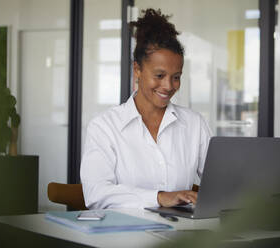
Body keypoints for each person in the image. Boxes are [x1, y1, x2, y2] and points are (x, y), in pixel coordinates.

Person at [80, 8, 211, 209]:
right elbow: (96, 195)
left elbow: (221, 181)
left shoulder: (194, 124)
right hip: (124, 236)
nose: (168, 86)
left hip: (179, 235)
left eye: (176, 77)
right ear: (137, 70)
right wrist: (159, 197)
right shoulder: (104, 127)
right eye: (159, 76)